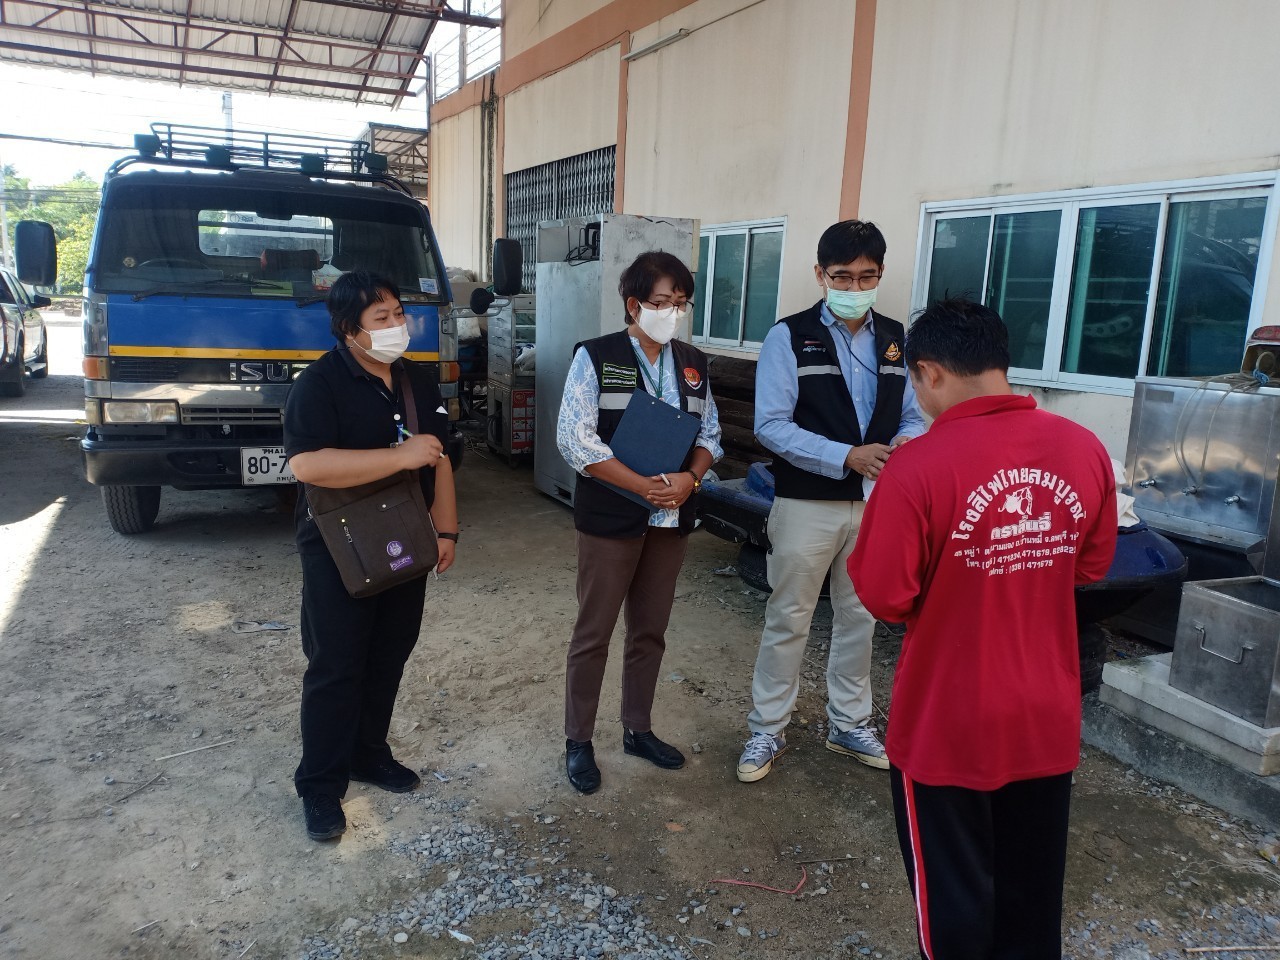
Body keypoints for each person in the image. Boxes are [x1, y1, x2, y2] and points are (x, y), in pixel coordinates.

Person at [847, 298, 1117, 959]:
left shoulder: (916, 468)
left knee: (955, 907)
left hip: (948, 724)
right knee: (1031, 899)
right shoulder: (1083, 448)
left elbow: (885, 596)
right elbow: (1091, 565)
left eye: (914, 381)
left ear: (931, 372)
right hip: (1045, 714)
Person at [737, 220, 925, 783]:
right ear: (820, 274)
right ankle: (767, 726)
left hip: (875, 503)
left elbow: (915, 415)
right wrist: (846, 455)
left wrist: (901, 446)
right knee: (789, 615)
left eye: (866, 276)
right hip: (808, 502)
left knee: (860, 616)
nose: (854, 286)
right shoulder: (789, 336)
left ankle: (850, 722)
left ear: (881, 274)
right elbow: (771, 425)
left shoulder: (896, 340)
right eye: (842, 276)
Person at [283, 270, 459, 841]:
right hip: (338, 544)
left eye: (398, 314)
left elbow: (439, 457)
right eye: (380, 318)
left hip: (405, 535)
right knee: (337, 663)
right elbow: (308, 465)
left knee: (389, 652)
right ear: (347, 329)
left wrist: (447, 531)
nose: (396, 326)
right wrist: (397, 456)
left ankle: (368, 753)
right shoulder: (320, 384)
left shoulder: (416, 380)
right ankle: (320, 785)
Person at [556, 250, 723, 794]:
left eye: (681, 303)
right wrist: (640, 485)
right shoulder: (596, 355)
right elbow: (575, 439)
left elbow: (710, 433)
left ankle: (638, 728)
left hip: (670, 518)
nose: (673, 313)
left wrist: (690, 479)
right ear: (634, 305)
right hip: (612, 516)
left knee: (650, 629)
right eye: (662, 302)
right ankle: (579, 740)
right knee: (594, 631)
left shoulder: (693, 362)